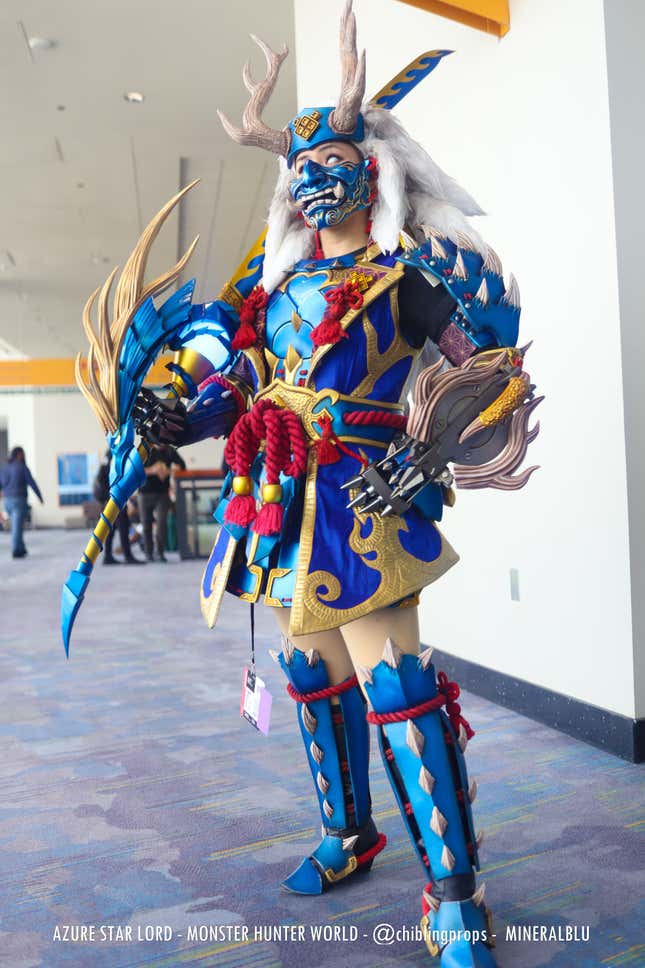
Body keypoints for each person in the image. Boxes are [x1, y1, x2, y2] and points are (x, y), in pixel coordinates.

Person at [87, 4, 541, 964]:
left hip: (366, 499)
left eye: (333, 163)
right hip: (284, 502)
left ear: (368, 173)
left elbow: (488, 376)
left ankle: (454, 892)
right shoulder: (275, 296)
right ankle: (348, 834)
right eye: (301, 171)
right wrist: (183, 417)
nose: (314, 180)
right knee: (310, 670)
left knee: (399, 683)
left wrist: (422, 454)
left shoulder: (405, 281)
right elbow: (247, 383)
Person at [93, 451, 144, 565]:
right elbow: (107, 476)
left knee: (111, 528)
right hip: (114, 497)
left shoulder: (112, 452)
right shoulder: (115, 452)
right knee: (123, 526)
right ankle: (127, 556)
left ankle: (108, 557)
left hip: (112, 496)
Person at [137, 445, 185, 562]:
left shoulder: (169, 450)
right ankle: (149, 553)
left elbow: (182, 467)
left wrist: (167, 471)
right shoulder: (144, 449)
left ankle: (160, 552)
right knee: (146, 524)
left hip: (162, 494)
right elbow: (136, 470)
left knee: (162, 524)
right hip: (144, 493)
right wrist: (153, 470)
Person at [0, 446, 44, 558]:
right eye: (22, 454)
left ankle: (22, 548)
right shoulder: (22, 467)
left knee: (18, 526)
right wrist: (40, 497)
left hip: (7, 501)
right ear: (19, 454)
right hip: (18, 501)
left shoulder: (4, 468)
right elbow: (32, 483)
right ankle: (16, 550)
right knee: (16, 527)